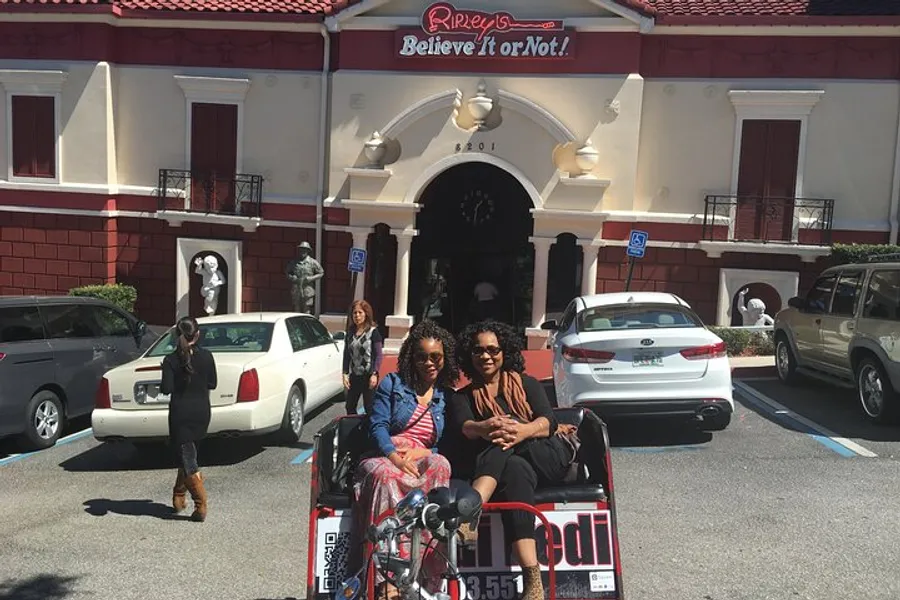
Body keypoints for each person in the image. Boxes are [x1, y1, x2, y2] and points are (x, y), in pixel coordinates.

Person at [448, 320, 575, 600]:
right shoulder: (463, 397)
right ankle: (533, 580)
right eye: (478, 351)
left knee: (503, 435)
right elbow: (465, 427)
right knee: (513, 465)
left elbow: (548, 422)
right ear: (469, 356)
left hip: (547, 457)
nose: (486, 356)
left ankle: (471, 508)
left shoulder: (526, 384)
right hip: (515, 470)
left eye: (493, 350)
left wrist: (520, 430)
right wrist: (484, 427)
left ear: (505, 352)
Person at [352, 320, 459, 599]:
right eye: (422, 356)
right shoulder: (393, 383)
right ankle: (388, 576)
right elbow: (377, 425)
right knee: (385, 475)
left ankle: (427, 572)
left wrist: (425, 452)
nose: (429, 363)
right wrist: (394, 456)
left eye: (435, 356)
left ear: (445, 358)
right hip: (386, 453)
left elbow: (447, 444)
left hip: (422, 455)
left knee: (441, 465)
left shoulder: (447, 396)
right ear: (412, 357)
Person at [161, 316, 218, 522]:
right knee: (188, 455)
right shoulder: (207, 356)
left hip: (181, 414)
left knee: (189, 459)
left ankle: (201, 504)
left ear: (178, 335)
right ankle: (178, 496)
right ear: (198, 334)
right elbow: (212, 383)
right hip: (202, 412)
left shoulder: (170, 360)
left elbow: (166, 389)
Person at [342, 300, 384, 415]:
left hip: (369, 376)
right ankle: (354, 430)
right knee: (350, 406)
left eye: (360, 312)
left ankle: (369, 431)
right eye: (355, 313)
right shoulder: (350, 333)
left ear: (366, 314)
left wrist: (374, 373)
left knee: (369, 407)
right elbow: (346, 354)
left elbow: (379, 355)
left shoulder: (373, 332)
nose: (357, 316)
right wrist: (345, 373)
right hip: (355, 375)